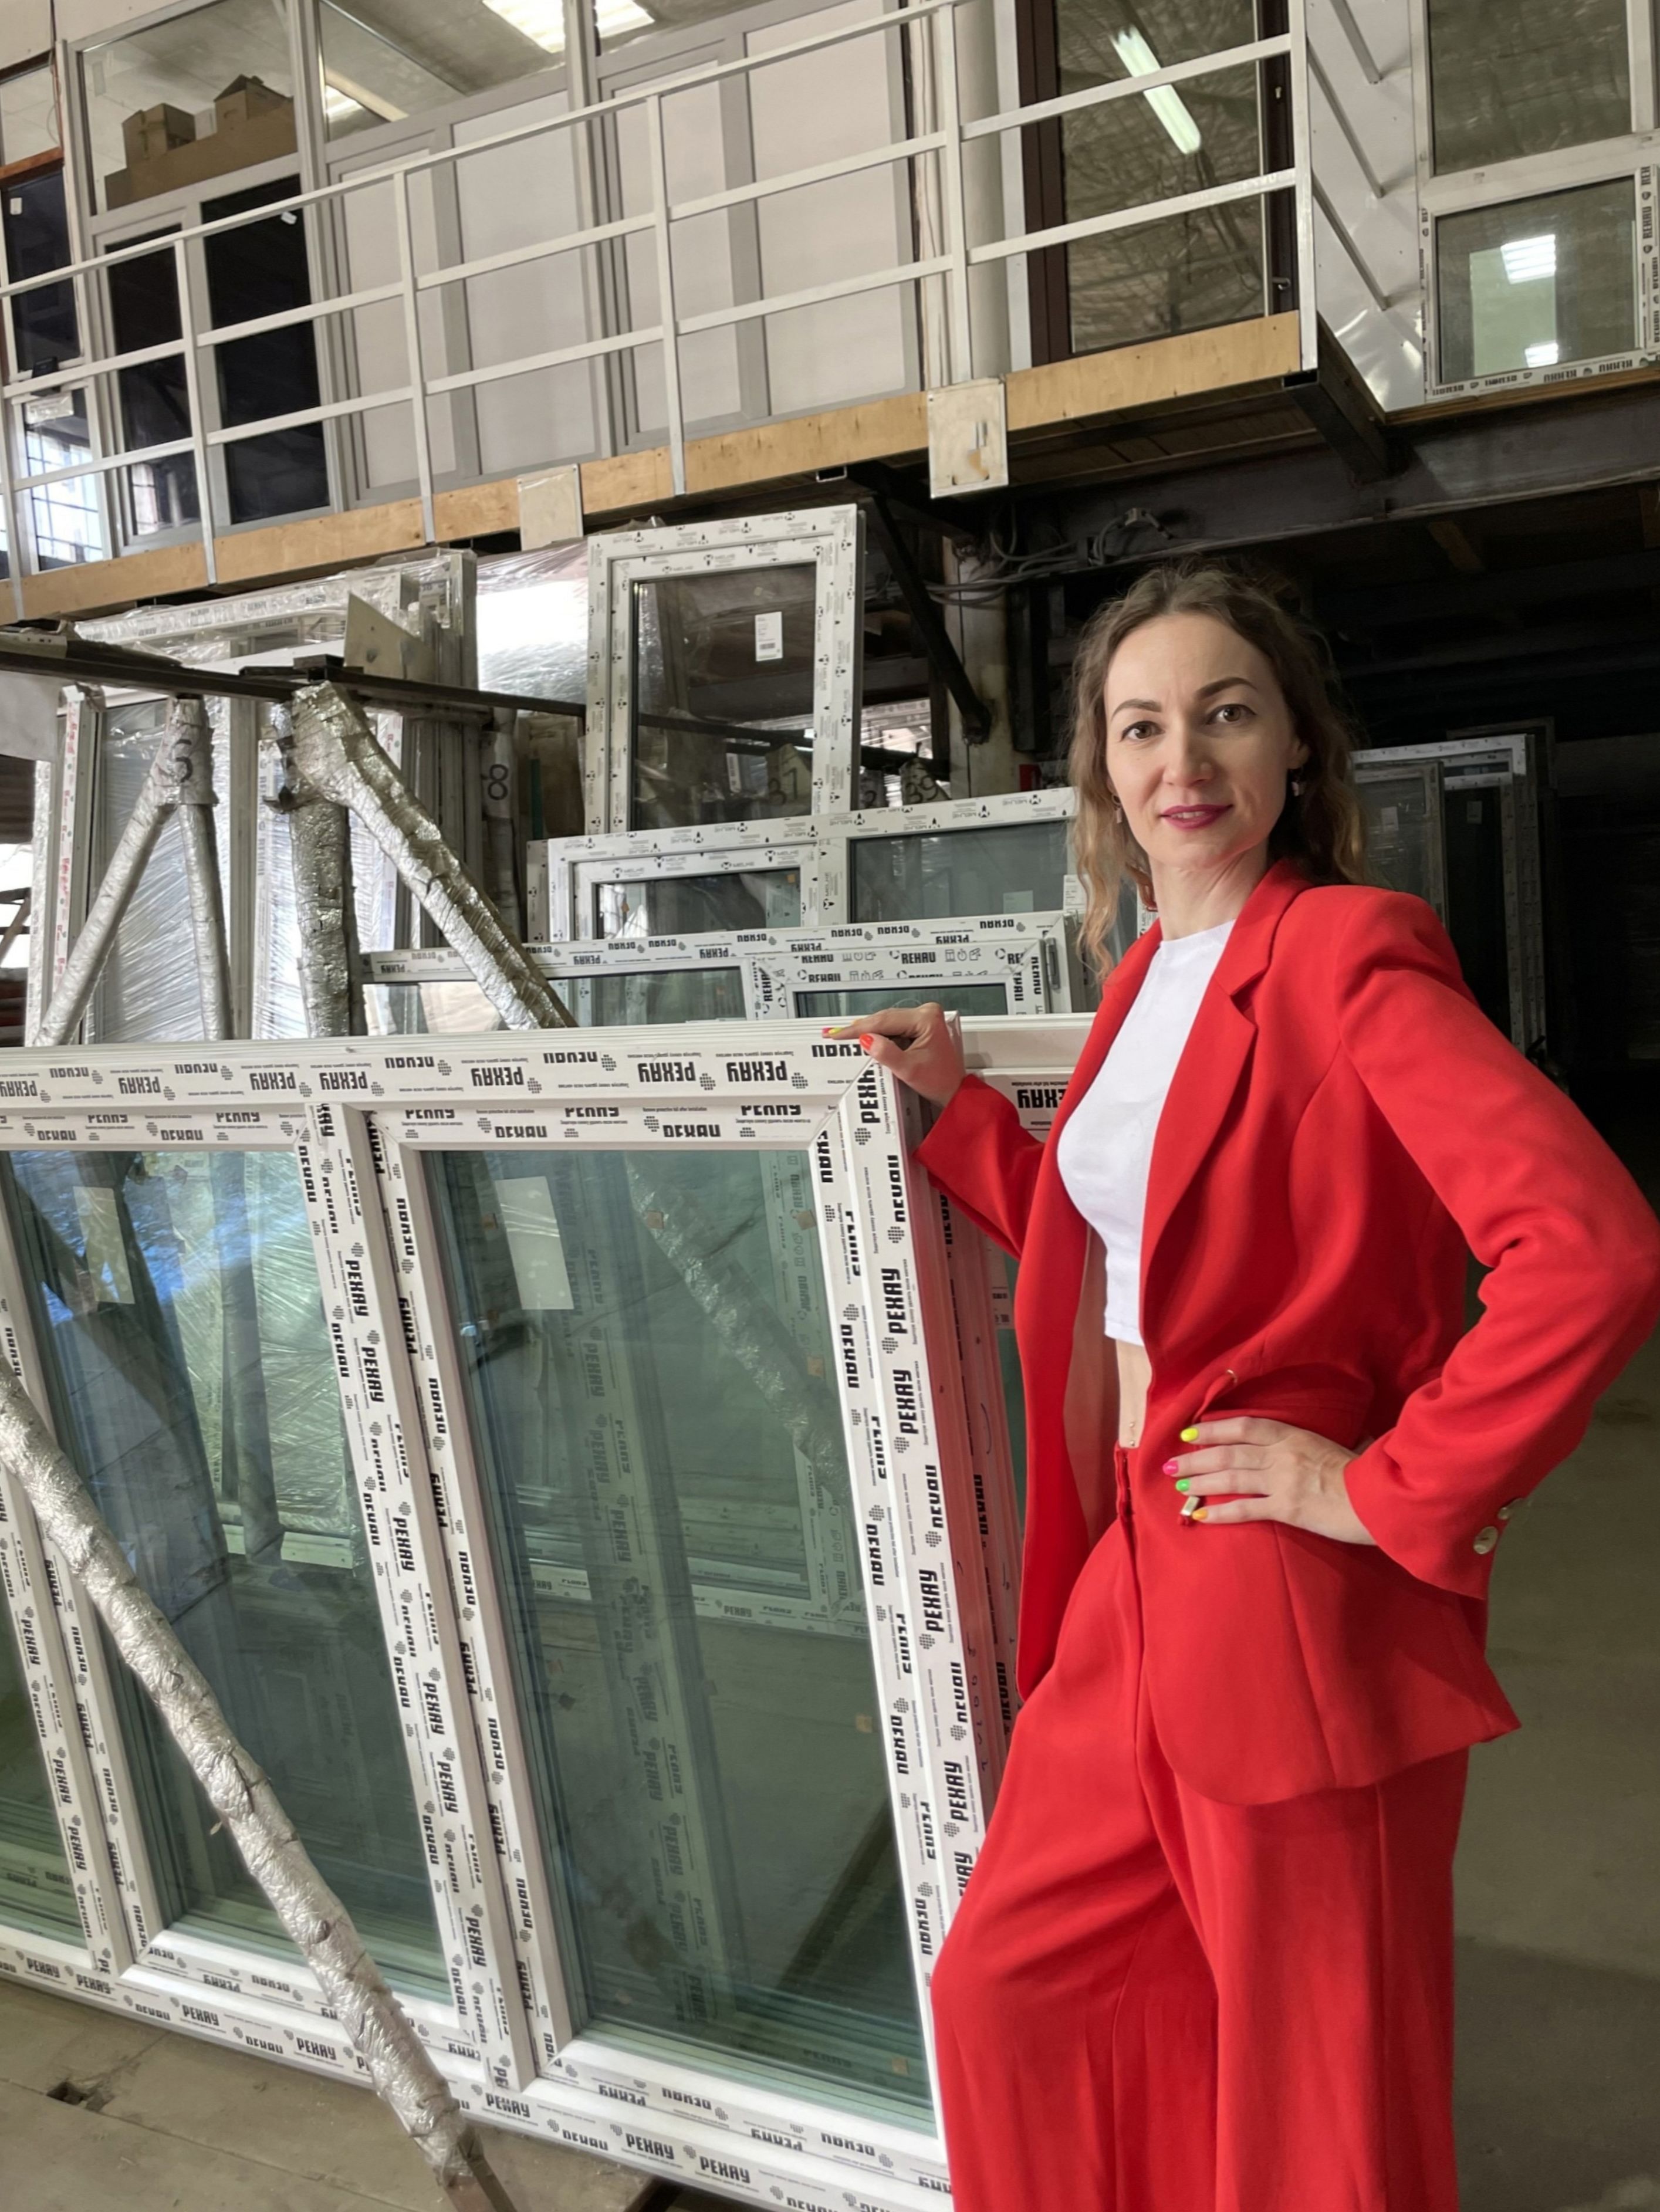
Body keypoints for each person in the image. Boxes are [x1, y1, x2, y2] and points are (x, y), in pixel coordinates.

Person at [830, 560, 1660, 2211]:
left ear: (1296, 749)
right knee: (1015, 1994)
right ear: (1103, 770)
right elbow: (1143, 1246)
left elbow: (1593, 1250)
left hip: (1285, 1592)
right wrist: (966, 1120)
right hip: (1137, 1573)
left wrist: (1380, 1488)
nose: (1182, 760)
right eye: (1142, 726)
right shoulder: (1146, 976)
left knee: (1317, 2104)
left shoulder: (1350, 958)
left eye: (1226, 713)